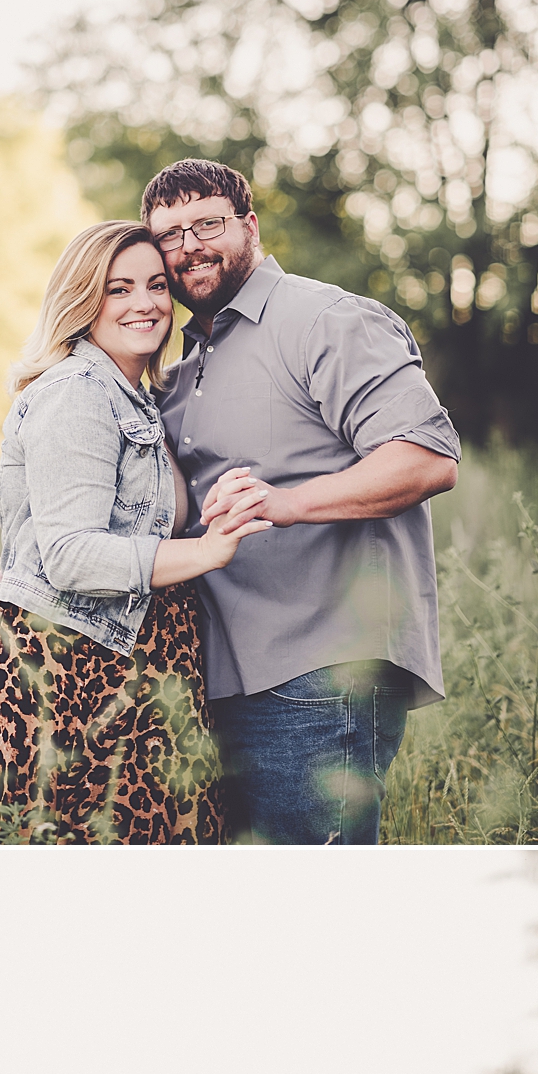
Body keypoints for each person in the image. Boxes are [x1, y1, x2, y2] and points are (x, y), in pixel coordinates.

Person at [142, 160, 462, 844]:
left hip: (321, 676)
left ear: (249, 226)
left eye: (207, 222)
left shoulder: (325, 319)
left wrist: (284, 504)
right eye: (169, 235)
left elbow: (426, 457)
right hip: (223, 681)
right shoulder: (183, 365)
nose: (190, 245)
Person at [0, 222, 270, 844]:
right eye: (118, 289)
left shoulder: (135, 394)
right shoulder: (80, 394)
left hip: (136, 673)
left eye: (155, 285)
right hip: (71, 677)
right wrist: (206, 550)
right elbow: (69, 556)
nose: (144, 303)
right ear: (83, 299)